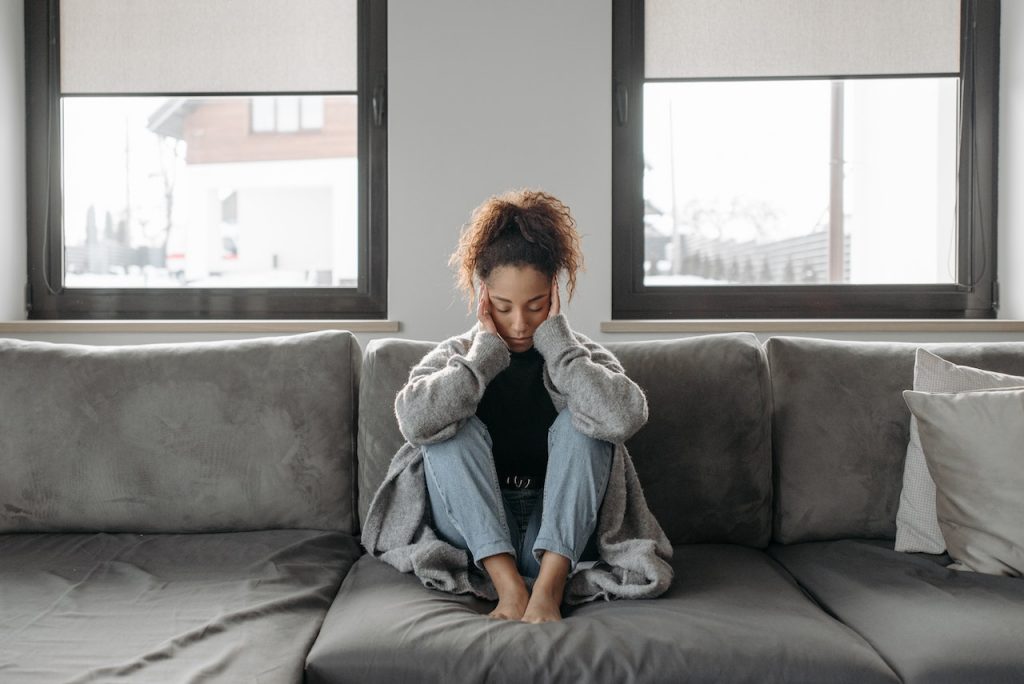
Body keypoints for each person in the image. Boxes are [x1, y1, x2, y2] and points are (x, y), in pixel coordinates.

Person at [361, 189, 673, 624]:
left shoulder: (578, 358)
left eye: (537, 306)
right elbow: (414, 422)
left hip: (561, 535)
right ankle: (509, 589)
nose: (520, 323)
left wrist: (561, 349)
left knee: (585, 424)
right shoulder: (459, 355)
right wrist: (480, 361)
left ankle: (547, 590)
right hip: (477, 536)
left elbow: (624, 417)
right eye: (504, 308)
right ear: (482, 295)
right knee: (450, 431)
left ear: (555, 296)